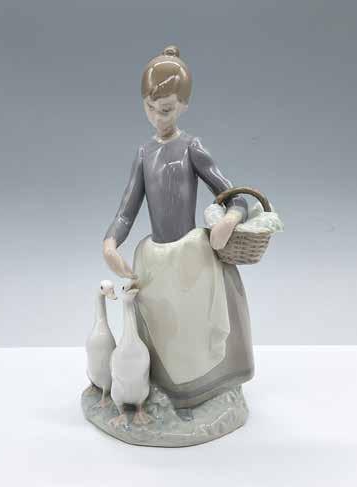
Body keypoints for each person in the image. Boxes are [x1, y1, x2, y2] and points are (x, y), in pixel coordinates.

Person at [103, 46, 254, 409]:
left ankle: (199, 391)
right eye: (150, 107)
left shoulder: (191, 148)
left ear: (183, 104)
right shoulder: (144, 154)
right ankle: (164, 389)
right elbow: (127, 211)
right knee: (162, 330)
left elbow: (236, 197)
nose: (158, 116)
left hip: (191, 256)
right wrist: (110, 243)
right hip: (156, 260)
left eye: (166, 109)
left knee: (194, 330)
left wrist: (231, 219)